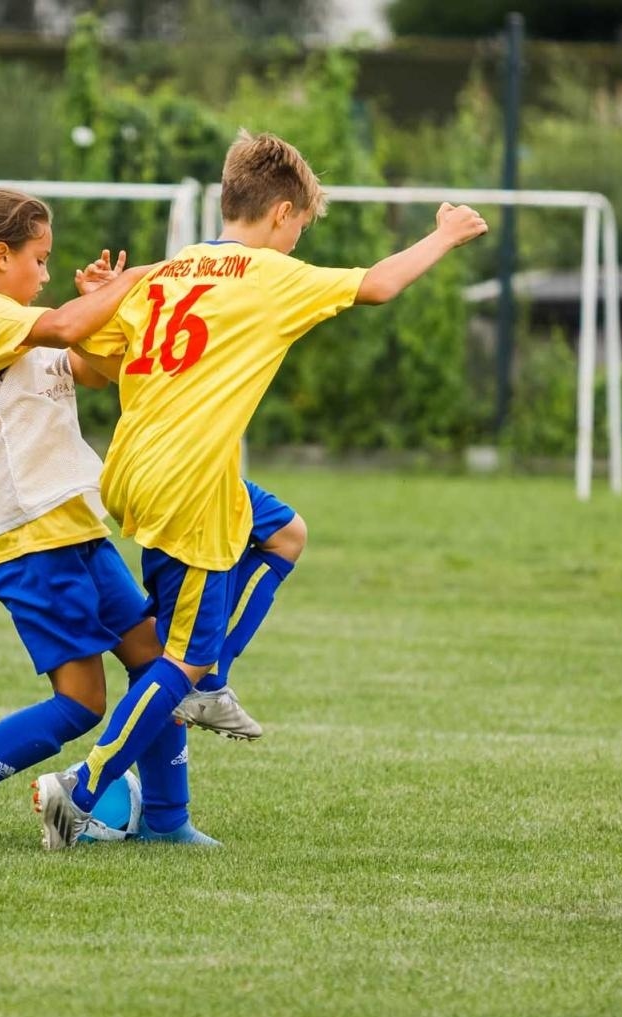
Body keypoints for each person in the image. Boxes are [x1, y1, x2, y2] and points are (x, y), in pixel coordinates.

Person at [32, 132, 490, 849]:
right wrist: (445, 235)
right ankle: (80, 788)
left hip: (139, 469)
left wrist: (99, 303)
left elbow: (93, 370)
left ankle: (209, 684)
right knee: (173, 660)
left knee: (284, 532)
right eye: (301, 229)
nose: (297, 242)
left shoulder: (171, 270)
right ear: (281, 213)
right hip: (188, 482)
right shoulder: (269, 274)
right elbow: (377, 284)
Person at [0, 188, 226, 846]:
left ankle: (167, 821)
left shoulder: (24, 321)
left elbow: (95, 367)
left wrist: (103, 309)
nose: (45, 272)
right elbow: (63, 326)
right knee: (81, 703)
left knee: (159, 663)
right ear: (0, 255)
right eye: (39, 259)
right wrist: (136, 280)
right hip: (24, 536)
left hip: (75, 526)